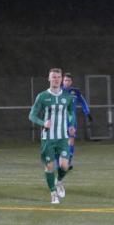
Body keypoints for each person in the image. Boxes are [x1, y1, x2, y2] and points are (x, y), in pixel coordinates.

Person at [29, 68, 77, 204]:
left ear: (61, 79)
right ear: (49, 79)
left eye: (58, 77)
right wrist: (43, 123)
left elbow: (70, 113)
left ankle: (59, 181)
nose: (56, 79)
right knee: (50, 167)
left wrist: (71, 124)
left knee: (65, 166)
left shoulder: (67, 97)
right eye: (53, 77)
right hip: (48, 138)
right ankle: (53, 193)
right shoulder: (42, 96)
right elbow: (31, 115)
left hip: (62, 137)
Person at [62, 72, 93, 169]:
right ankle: (59, 161)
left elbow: (83, 102)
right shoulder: (58, 91)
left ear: (71, 82)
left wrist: (87, 112)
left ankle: (69, 161)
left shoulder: (75, 92)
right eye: (65, 80)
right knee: (60, 140)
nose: (67, 82)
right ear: (62, 81)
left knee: (71, 140)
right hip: (60, 119)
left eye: (68, 80)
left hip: (71, 119)